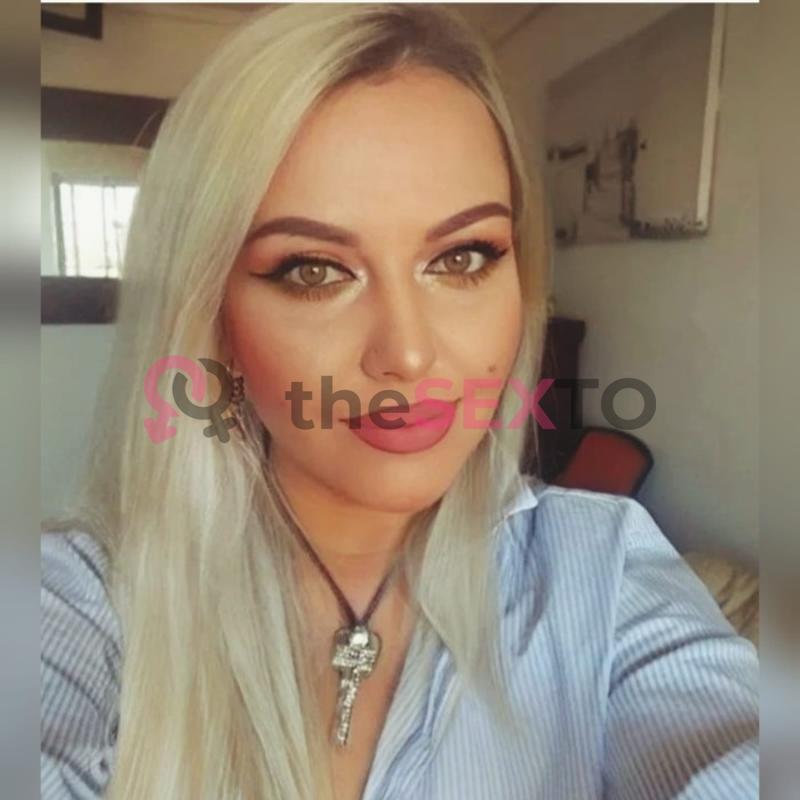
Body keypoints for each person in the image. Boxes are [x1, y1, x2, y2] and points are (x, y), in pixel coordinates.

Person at [40, 4, 758, 800]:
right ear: (213, 318)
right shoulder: (78, 602)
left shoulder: (602, 570)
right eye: (314, 270)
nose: (409, 353)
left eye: (463, 257)